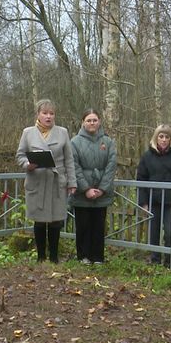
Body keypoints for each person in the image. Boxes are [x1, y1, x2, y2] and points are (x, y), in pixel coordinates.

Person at [15, 99, 77, 263]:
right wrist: (27, 164)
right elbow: (20, 155)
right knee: (40, 221)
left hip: (57, 183)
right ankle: (41, 257)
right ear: (38, 114)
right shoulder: (28, 133)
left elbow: (69, 160)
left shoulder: (62, 132)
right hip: (37, 182)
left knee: (56, 221)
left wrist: (72, 182)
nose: (48, 116)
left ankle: (54, 257)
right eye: (45, 113)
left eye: (51, 113)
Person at [136, 124, 171, 266]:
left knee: (170, 232)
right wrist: (143, 202)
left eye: (167, 137)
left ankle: (168, 260)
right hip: (153, 201)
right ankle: (155, 259)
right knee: (153, 232)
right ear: (156, 138)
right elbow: (141, 179)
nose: (164, 140)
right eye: (161, 136)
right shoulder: (147, 157)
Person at [69, 109, 117, 264]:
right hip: (82, 192)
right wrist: (86, 188)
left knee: (98, 225)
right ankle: (83, 256)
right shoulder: (74, 142)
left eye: (94, 120)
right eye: (89, 120)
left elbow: (111, 166)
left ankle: (98, 257)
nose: (92, 123)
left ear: (99, 121)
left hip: (101, 191)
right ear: (83, 122)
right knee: (83, 225)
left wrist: (102, 188)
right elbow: (74, 166)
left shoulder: (108, 142)